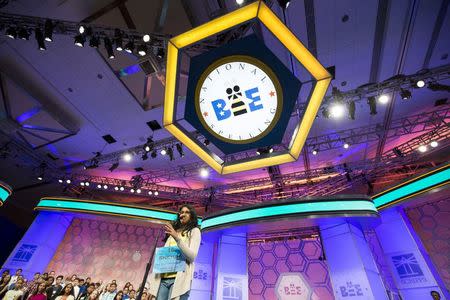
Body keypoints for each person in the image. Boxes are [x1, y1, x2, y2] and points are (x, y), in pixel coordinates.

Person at [148, 204, 201, 300]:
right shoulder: (174, 232)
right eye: (181, 212)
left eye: (187, 212)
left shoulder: (194, 231)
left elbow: (192, 256)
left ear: (192, 216)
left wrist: (177, 238)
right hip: (163, 279)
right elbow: (163, 258)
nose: (183, 214)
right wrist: (151, 284)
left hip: (179, 279)